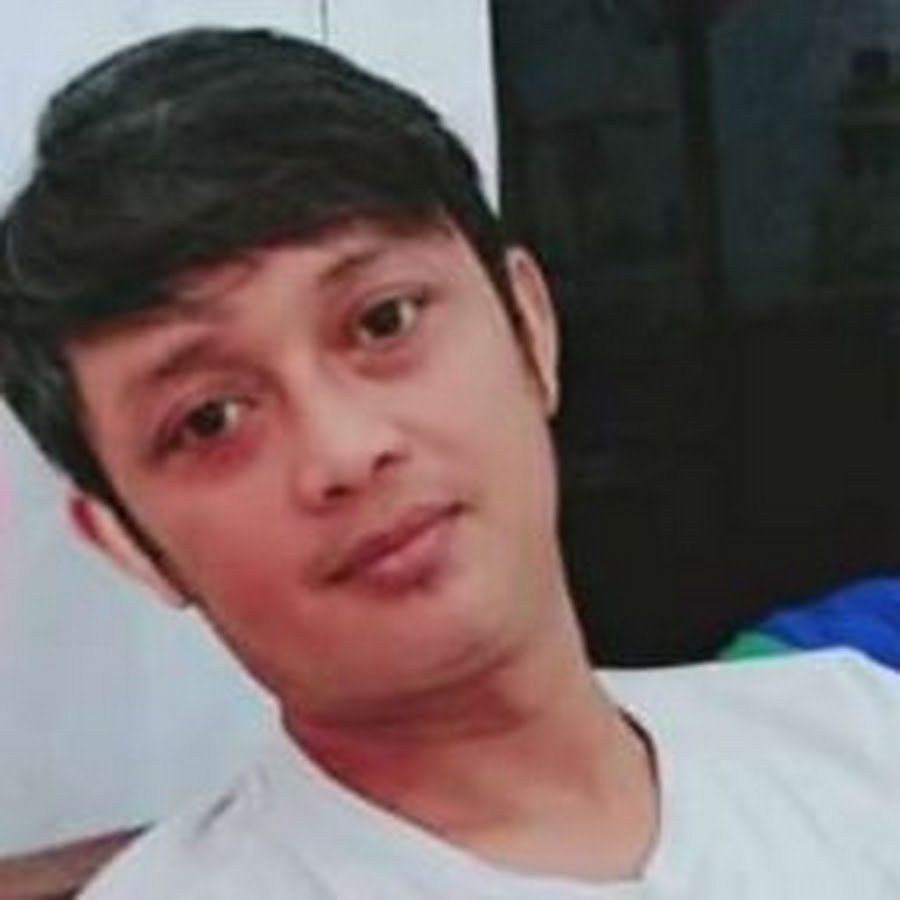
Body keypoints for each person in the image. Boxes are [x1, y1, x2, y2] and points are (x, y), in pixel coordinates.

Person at [1, 27, 899, 899]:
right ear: (128, 543)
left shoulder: (855, 733)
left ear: (531, 328)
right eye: (210, 420)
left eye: (383, 321)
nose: (346, 450)